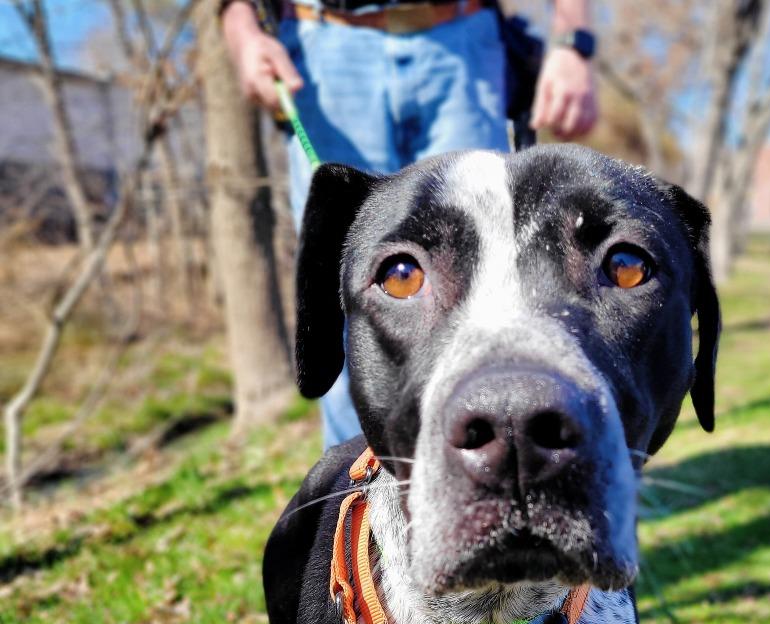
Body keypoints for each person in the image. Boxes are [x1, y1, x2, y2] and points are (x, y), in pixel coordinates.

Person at [220, 0, 599, 448]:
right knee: (346, 303)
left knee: (492, 284)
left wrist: (572, 43)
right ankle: (358, 486)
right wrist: (243, 32)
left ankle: (496, 467)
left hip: (463, 48)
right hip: (322, 52)